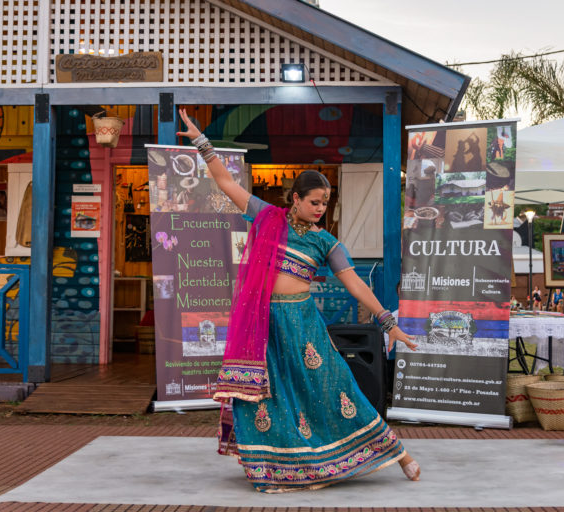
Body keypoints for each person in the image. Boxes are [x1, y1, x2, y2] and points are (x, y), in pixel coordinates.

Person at [177, 111, 421, 493]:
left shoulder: (325, 242)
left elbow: (355, 283)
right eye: (315, 201)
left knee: (333, 386)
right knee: (267, 395)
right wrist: (202, 142)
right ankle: (277, 466)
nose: (321, 208)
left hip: (303, 322)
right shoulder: (267, 217)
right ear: (296, 198)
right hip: (265, 323)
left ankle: (398, 452)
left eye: (326, 202)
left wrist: (389, 324)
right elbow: (226, 182)